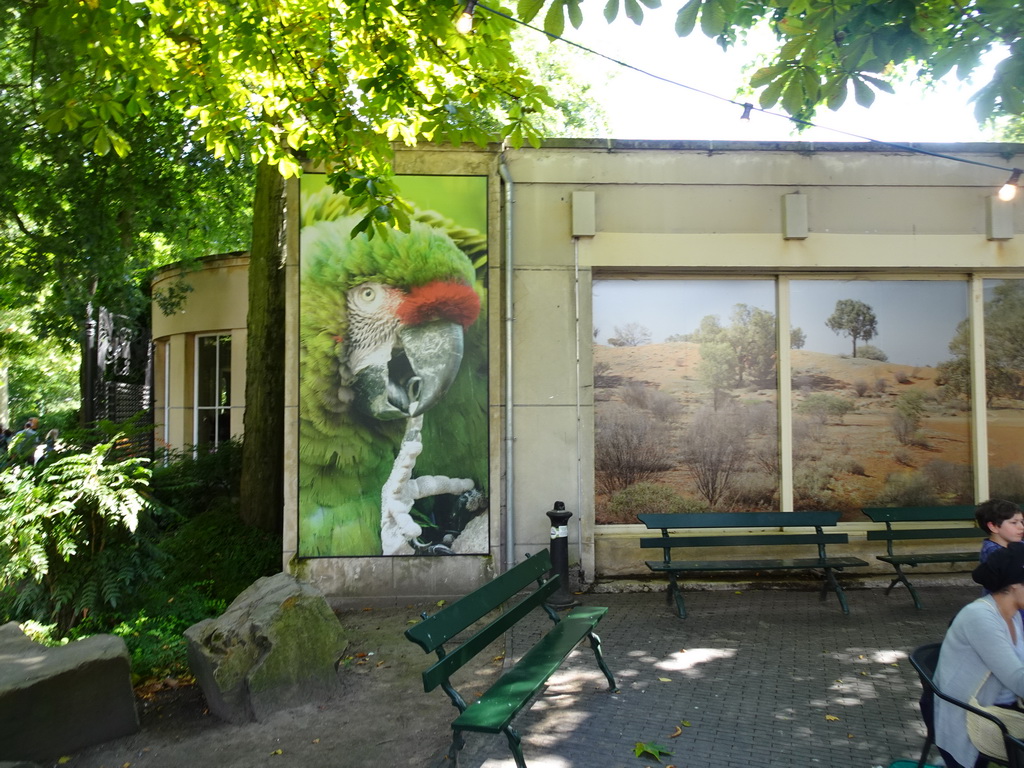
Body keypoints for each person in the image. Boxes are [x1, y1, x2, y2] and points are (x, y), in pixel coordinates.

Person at [934, 543, 1024, 768]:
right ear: (1014, 585)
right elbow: (1016, 678)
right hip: (976, 717)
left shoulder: (1013, 615)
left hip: (1005, 710)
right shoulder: (980, 617)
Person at [977, 499, 1024, 564]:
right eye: (1014, 522)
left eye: (1022, 522)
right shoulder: (994, 553)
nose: (1022, 527)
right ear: (993, 527)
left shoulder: (1019, 544)